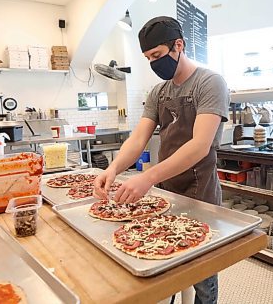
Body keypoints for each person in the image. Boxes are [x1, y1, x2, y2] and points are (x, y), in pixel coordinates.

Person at [94, 16, 229, 304]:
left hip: (200, 191)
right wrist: (114, 168)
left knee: (202, 273)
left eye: (157, 55)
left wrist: (147, 177)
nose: (153, 63)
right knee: (164, 265)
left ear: (178, 45)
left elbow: (199, 146)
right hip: (166, 192)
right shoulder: (159, 92)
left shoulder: (210, 82)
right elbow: (138, 138)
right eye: (148, 58)